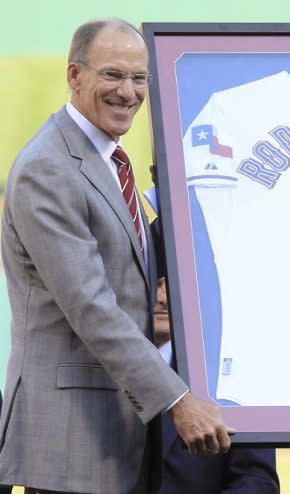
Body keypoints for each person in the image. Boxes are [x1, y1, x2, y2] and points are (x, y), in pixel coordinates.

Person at [0, 18, 233, 493]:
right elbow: (91, 308)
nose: (128, 92)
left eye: (138, 77)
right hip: (72, 444)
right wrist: (178, 400)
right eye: (112, 75)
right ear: (74, 75)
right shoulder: (47, 168)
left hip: (117, 440)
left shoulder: (110, 161)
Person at [153, 278, 280, 494]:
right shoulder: (92, 378)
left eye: (169, 283)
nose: (163, 298)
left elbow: (257, 482)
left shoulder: (230, 378)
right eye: (155, 284)